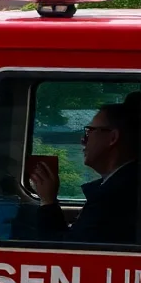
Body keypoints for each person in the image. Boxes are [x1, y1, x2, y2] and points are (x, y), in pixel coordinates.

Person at [31, 96, 139, 245]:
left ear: (113, 138)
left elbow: (65, 251)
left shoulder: (114, 198)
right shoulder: (119, 185)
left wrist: (48, 201)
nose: (83, 140)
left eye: (90, 132)